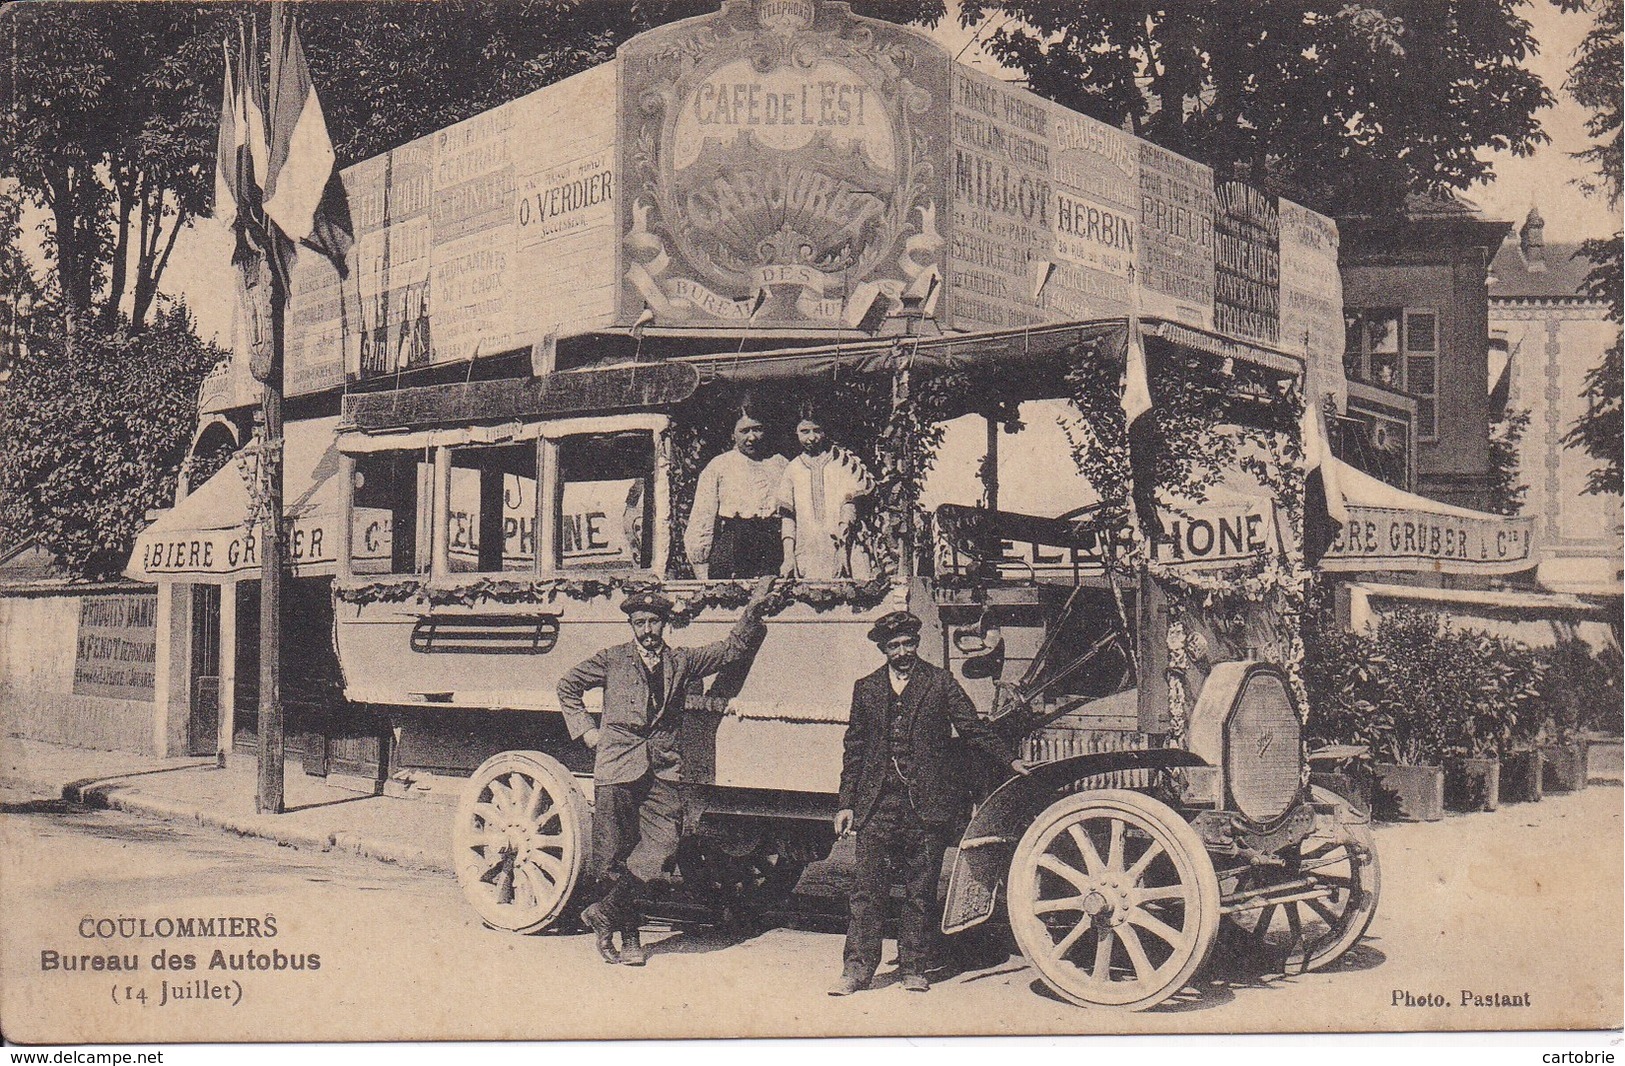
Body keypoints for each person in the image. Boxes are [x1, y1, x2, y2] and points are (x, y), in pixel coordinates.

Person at [558, 580, 775, 966]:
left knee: (662, 847)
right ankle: (627, 939)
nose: (648, 630)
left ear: (664, 625)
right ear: (631, 625)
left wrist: (754, 611)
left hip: (662, 767)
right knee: (612, 857)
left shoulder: (682, 662)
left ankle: (603, 914)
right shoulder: (612, 659)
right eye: (640, 622)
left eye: (654, 622)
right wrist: (587, 731)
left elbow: (730, 649)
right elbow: (568, 686)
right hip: (616, 765)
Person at [828, 611, 1028, 996]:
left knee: (919, 891)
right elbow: (854, 750)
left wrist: (1010, 761)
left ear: (916, 644)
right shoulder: (866, 688)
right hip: (876, 807)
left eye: (908, 644)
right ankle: (855, 971)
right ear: (883, 649)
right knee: (867, 891)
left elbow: (972, 728)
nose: (903, 652)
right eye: (894, 646)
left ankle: (913, 968)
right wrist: (846, 803)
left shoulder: (939, 682)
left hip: (927, 807)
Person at [684, 404, 789, 580]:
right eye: (744, 431)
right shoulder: (719, 466)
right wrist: (700, 563)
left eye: (757, 429)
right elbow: (703, 516)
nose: (752, 437)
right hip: (733, 548)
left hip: (773, 548)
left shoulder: (781, 464)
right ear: (733, 434)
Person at [777, 408, 874, 580]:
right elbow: (787, 516)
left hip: (842, 544)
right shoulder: (792, 469)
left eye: (817, 431)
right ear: (796, 433)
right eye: (804, 432)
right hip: (807, 547)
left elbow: (849, 505)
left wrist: (843, 546)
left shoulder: (841, 462)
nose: (811, 438)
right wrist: (788, 557)